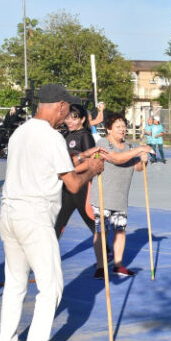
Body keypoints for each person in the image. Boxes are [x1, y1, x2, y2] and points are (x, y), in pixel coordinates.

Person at [0, 84, 105, 341]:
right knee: (51, 285)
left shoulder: (20, 132)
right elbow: (72, 183)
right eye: (66, 109)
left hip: (9, 211)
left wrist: (81, 161)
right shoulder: (52, 137)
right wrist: (92, 170)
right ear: (59, 106)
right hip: (34, 214)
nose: (66, 115)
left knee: (15, 280)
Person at [90, 114, 153, 279]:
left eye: (124, 126)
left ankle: (118, 265)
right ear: (109, 129)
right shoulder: (103, 144)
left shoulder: (129, 146)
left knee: (120, 232)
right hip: (103, 196)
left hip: (120, 197)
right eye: (118, 126)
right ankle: (100, 266)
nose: (122, 129)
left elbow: (138, 168)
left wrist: (143, 160)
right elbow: (116, 159)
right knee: (102, 232)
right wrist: (139, 150)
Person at [54, 104, 103, 243]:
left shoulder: (85, 136)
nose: (69, 121)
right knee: (60, 220)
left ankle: (106, 250)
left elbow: (92, 161)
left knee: (89, 219)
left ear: (82, 119)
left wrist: (69, 170)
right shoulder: (67, 135)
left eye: (74, 118)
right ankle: (48, 251)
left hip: (82, 185)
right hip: (68, 185)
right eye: (67, 118)